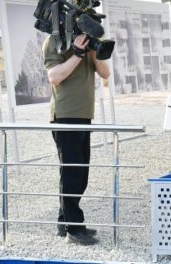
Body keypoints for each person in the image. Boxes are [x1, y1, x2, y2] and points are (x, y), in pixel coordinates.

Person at [44, 33, 110, 245]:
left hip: (84, 116)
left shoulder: (88, 42)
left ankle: (64, 223)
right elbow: (54, 76)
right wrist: (77, 53)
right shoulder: (54, 41)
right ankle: (74, 228)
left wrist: (93, 51)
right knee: (72, 172)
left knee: (80, 174)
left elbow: (105, 73)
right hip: (65, 116)